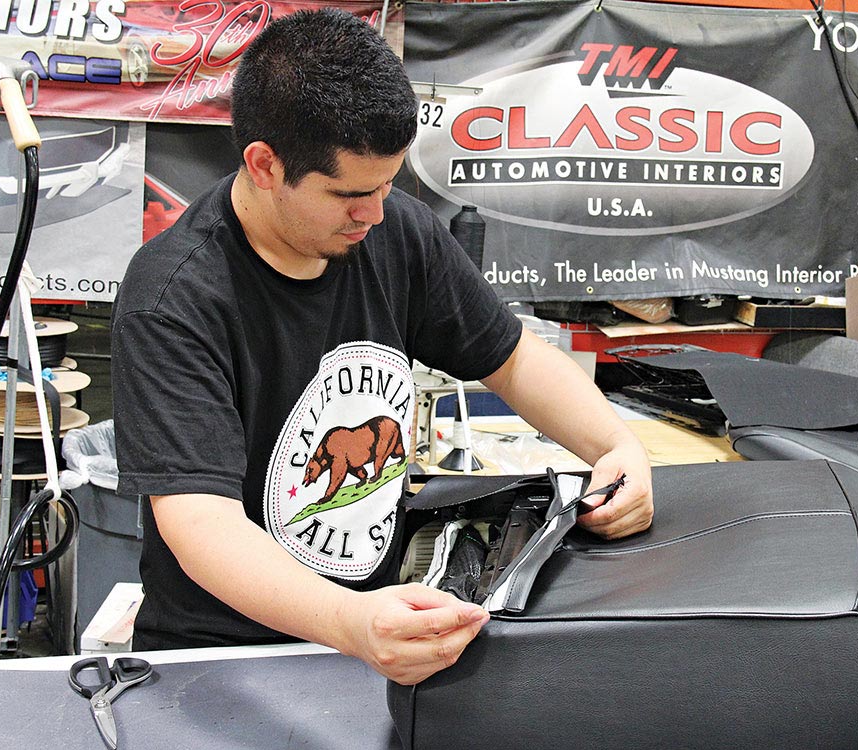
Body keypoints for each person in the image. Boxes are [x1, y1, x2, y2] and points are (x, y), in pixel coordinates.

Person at [111, 8, 653, 686]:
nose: (373, 212)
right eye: (349, 194)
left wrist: (616, 447)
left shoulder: (396, 231)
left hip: (374, 635)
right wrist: (350, 623)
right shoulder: (174, 297)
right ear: (264, 165)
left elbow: (512, 358)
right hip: (225, 659)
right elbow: (201, 523)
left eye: (387, 184)